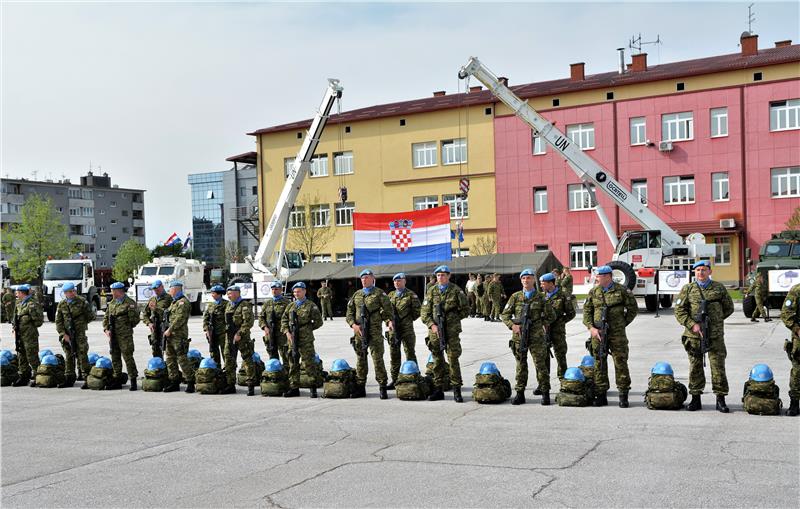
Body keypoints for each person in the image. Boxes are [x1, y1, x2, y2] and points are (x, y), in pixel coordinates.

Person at [674, 260, 735, 413]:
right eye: (698, 270)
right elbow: (679, 311)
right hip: (694, 336)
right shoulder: (688, 289)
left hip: (715, 336)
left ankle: (720, 400)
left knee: (718, 367)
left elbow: (728, 308)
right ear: (695, 272)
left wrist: (715, 322)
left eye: (704, 270)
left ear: (710, 271)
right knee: (695, 367)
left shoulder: (718, 288)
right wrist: (693, 325)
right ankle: (695, 399)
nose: (701, 273)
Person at [583, 265, 638, 408]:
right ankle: (601, 395)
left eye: (599, 276)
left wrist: (622, 323)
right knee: (599, 363)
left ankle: (623, 395)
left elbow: (633, 309)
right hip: (598, 334)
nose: (596, 278)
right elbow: (587, 313)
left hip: (617, 334)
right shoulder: (593, 292)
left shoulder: (622, 290)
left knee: (620, 363)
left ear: (607, 276)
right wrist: (592, 328)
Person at [501, 269, 556, 405]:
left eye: (529, 278)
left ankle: (545, 393)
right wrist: (512, 326)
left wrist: (542, 324)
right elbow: (505, 315)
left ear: (534, 280)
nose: (526, 280)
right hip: (519, 337)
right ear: (521, 280)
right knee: (521, 365)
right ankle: (520, 393)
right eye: (524, 278)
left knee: (540, 365)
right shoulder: (515, 297)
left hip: (536, 337)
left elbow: (552, 315)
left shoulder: (541, 297)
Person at [420, 265, 470, 402]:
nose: (440, 278)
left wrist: (453, 319)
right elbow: (424, 312)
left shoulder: (456, 290)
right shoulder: (431, 291)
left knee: (453, 359)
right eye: (438, 275)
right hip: (435, 332)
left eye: (443, 275)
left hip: (452, 331)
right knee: (437, 360)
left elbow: (466, 309)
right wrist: (432, 325)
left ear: (449, 276)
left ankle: (456, 389)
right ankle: (438, 389)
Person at [346, 269, 393, 399]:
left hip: (374, 332)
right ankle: (361, 387)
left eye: (367, 277)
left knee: (377, 359)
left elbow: (388, 311)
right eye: (362, 278)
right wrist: (353, 325)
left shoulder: (379, 294)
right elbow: (349, 313)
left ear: (372, 279)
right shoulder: (356, 295)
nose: (364, 280)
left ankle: (382, 387)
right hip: (359, 333)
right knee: (361, 360)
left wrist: (389, 322)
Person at [282, 282, 323, 398]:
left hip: (306, 339)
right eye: (294, 292)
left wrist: (307, 329)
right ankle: (294, 387)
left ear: (304, 291)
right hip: (292, 338)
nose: (296, 294)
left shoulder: (311, 305)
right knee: (292, 363)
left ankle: (313, 387)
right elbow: (284, 320)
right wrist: (287, 332)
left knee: (308, 363)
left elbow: (319, 322)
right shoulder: (290, 306)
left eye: (298, 291)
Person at [102, 282, 140, 390]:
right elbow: (106, 318)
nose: (112, 293)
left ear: (119, 291)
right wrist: (106, 329)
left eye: (113, 291)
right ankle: (117, 379)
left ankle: (133, 380)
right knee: (115, 357)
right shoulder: (112, 303)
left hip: (125, 336)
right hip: (113, 335)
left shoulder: (129, 303)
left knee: (128, 357)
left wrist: (125, 327)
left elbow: (135, 320)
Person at [386, 272, 421, 389]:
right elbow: (383, 310)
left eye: (399, 280)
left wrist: (407, 319)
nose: (397, 283)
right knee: (394, 355)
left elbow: (417, 311)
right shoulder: (390, 295)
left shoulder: (411, 295)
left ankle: (414, 376)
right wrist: (388, 321)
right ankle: (395, 379)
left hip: (407, 329)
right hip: (393, 329)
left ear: (404, 281)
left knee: (410, 353)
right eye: (395, 281)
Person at [55, 282, 93, 387]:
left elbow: (90, 316)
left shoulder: (82, 302)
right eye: (67, 292)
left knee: (82, 354)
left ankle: (87, 378)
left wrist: (80, 324)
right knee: (69, 355)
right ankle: (69, 377)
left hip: (79, 333)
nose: (70, 294)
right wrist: (63, 334)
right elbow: (58, 321)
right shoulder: (62, 304)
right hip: (67, 334)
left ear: (74, 291)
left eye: (72, 291)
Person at [540, 272, 576, 381]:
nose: (541, 285)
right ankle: (544, 383)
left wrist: (561, 322)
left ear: (551, 283)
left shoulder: (563, 295)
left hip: (558, 331)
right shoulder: (541, 296)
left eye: (543, 283)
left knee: (560, 356)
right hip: (544, 330)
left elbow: (571, 313)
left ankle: (563, 380)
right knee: (543, 357)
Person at [162, 281, 195, 393]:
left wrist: (170, 329)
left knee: (182, 359)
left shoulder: (183, 302)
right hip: (170, 335)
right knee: (170, 359)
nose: (169, 291)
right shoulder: (174, 303)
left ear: (175, 289)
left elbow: (180, 318)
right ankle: (174, 381)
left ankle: (190, 381)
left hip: (179, 335)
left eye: (170, 289)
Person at [224, 285, 256, 396]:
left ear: (237, 293)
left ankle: (250, 385)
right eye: (228, 293)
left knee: (247, 360)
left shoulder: (244, 305)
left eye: (230, 293)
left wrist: (239, 333)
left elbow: (248, 322)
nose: (228, 295)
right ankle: (230, 384)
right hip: (229, 337)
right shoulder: (228, 305)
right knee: (229, 360)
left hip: (242, 338)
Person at [10, 284, 43, 387]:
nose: (16, 294)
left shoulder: (32, 304)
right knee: (21, 355)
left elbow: (38, 321)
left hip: (30, 335)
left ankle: (38, 377)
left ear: (21, 293)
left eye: (17, 292)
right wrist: (14, 327)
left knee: (32, 356)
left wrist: (28, 323)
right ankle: (24, 376)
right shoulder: (19, 303)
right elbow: (15, 317)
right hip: (20, 334)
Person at [259, 281, 292, 368]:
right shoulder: (267, 303)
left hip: (282, 334)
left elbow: (290, 318)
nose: (274, 291)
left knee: (286, 356)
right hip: (270, 333)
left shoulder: (287, 303)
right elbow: (261, 317)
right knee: (272, 356)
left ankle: (286, 375)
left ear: (281, 290)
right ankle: (276, 375)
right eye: (273, 289)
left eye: (276, 289)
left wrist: (287, 330)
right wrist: (264, 327)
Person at [780, 283, 800, 416]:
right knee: (797, 372)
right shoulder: (797, 290)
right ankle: (794, 404)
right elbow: (786, 313)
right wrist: (797, 329)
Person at [141, 280, 171, 358]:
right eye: (154, 289)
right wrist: (149, 323)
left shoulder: (169, 298)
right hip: (154, 328)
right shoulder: (152, 300)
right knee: (155, 349)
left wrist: (156, 308)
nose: (156, 291)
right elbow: (145, 314)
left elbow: (170, 312)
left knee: (167, 350)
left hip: (165, 327)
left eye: (157, 289)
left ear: (162, 287)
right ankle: (158, 367)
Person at [202, 285, 227, 366]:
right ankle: (216, 371)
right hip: (212, 333)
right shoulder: (210, 305)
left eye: (213, 293)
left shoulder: (226, 304)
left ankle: (228, 372)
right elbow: (206, 318)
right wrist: (206, 330)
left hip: (223, 333)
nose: (212, 295)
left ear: (219, 294)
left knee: (226, 353)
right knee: (213, 353)